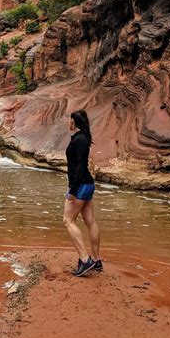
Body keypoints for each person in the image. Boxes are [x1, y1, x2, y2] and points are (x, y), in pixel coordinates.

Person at [63, 109, 102, 277]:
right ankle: (96, 260)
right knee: (90, 221)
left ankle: (85, 260)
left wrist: (72, 189)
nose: (68, 123)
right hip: (87, 184)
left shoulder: (80, 139)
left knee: (68, 220)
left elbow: (79, 166)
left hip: (80, 186)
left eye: (69, 120)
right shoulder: (83, 138)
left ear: (73, 121)